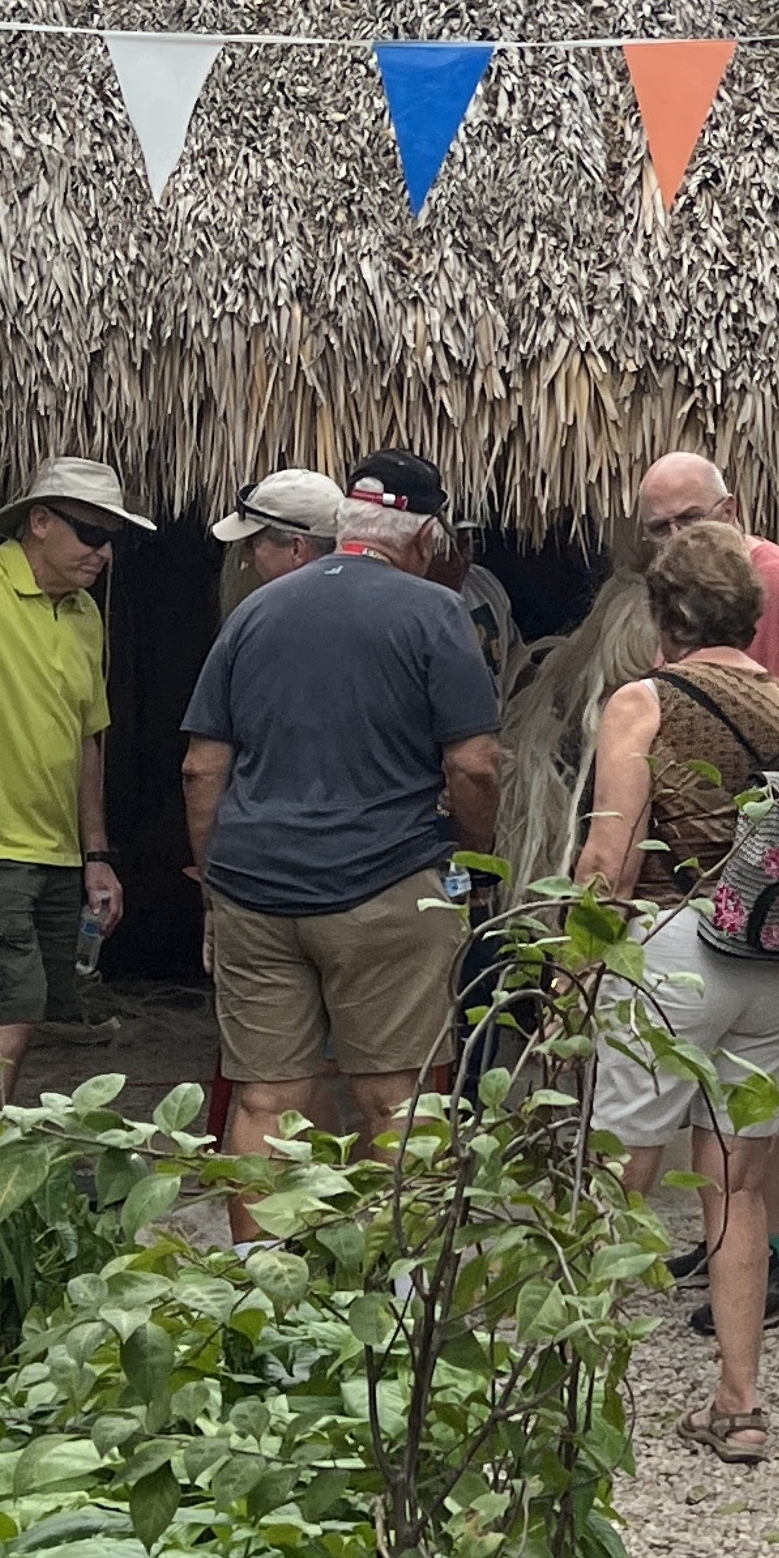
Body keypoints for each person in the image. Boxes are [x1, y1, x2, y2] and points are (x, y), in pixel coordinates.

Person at [578, 518, 779, 1467]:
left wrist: (572, 965)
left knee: (621, 1174)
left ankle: (572, 1393)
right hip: (776, 967)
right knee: (736, 1181)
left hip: (675, 947)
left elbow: (609, 855)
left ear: (664, 612)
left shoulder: (643, 702)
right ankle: (739, 1404)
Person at [179, 490, 502, 1224]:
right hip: (387, 886)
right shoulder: (433, 612)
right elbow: (476, 765)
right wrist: (471, 861)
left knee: (264, 1098)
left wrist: (214, 885)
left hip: (255, 892)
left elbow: (201, 769)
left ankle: (260, 1292)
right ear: (423, 534)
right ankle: (396, 1298)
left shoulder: (252, 615)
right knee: (398, 1098)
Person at [635, 450, 779, 1322]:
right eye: (655, 529)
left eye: (687, 522)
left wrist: (761, 850)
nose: (672, 540)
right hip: (716, 877)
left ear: (732, 509)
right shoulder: (686, 596)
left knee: (764, 1075)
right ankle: (738, 1238)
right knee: (720, 1073)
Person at [0, 457, 151, 1101]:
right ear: (38, 521)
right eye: (91, 535)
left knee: (25, 1010)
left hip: (55, 854)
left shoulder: (86, 615)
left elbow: (88, 739)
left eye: (111, 540)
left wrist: (96, 855)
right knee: (10, 1011)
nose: (103, 554)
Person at [349, 448, 522, 696]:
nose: (461, 554)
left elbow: (516, 663)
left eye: (466, 541)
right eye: (450, 543)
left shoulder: (485, 585)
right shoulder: (387, 605)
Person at [211, 468, 344, 607]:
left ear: (296, 550)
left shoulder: (278, 620)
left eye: (252, 545)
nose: (246, 557)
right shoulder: (359, 603)